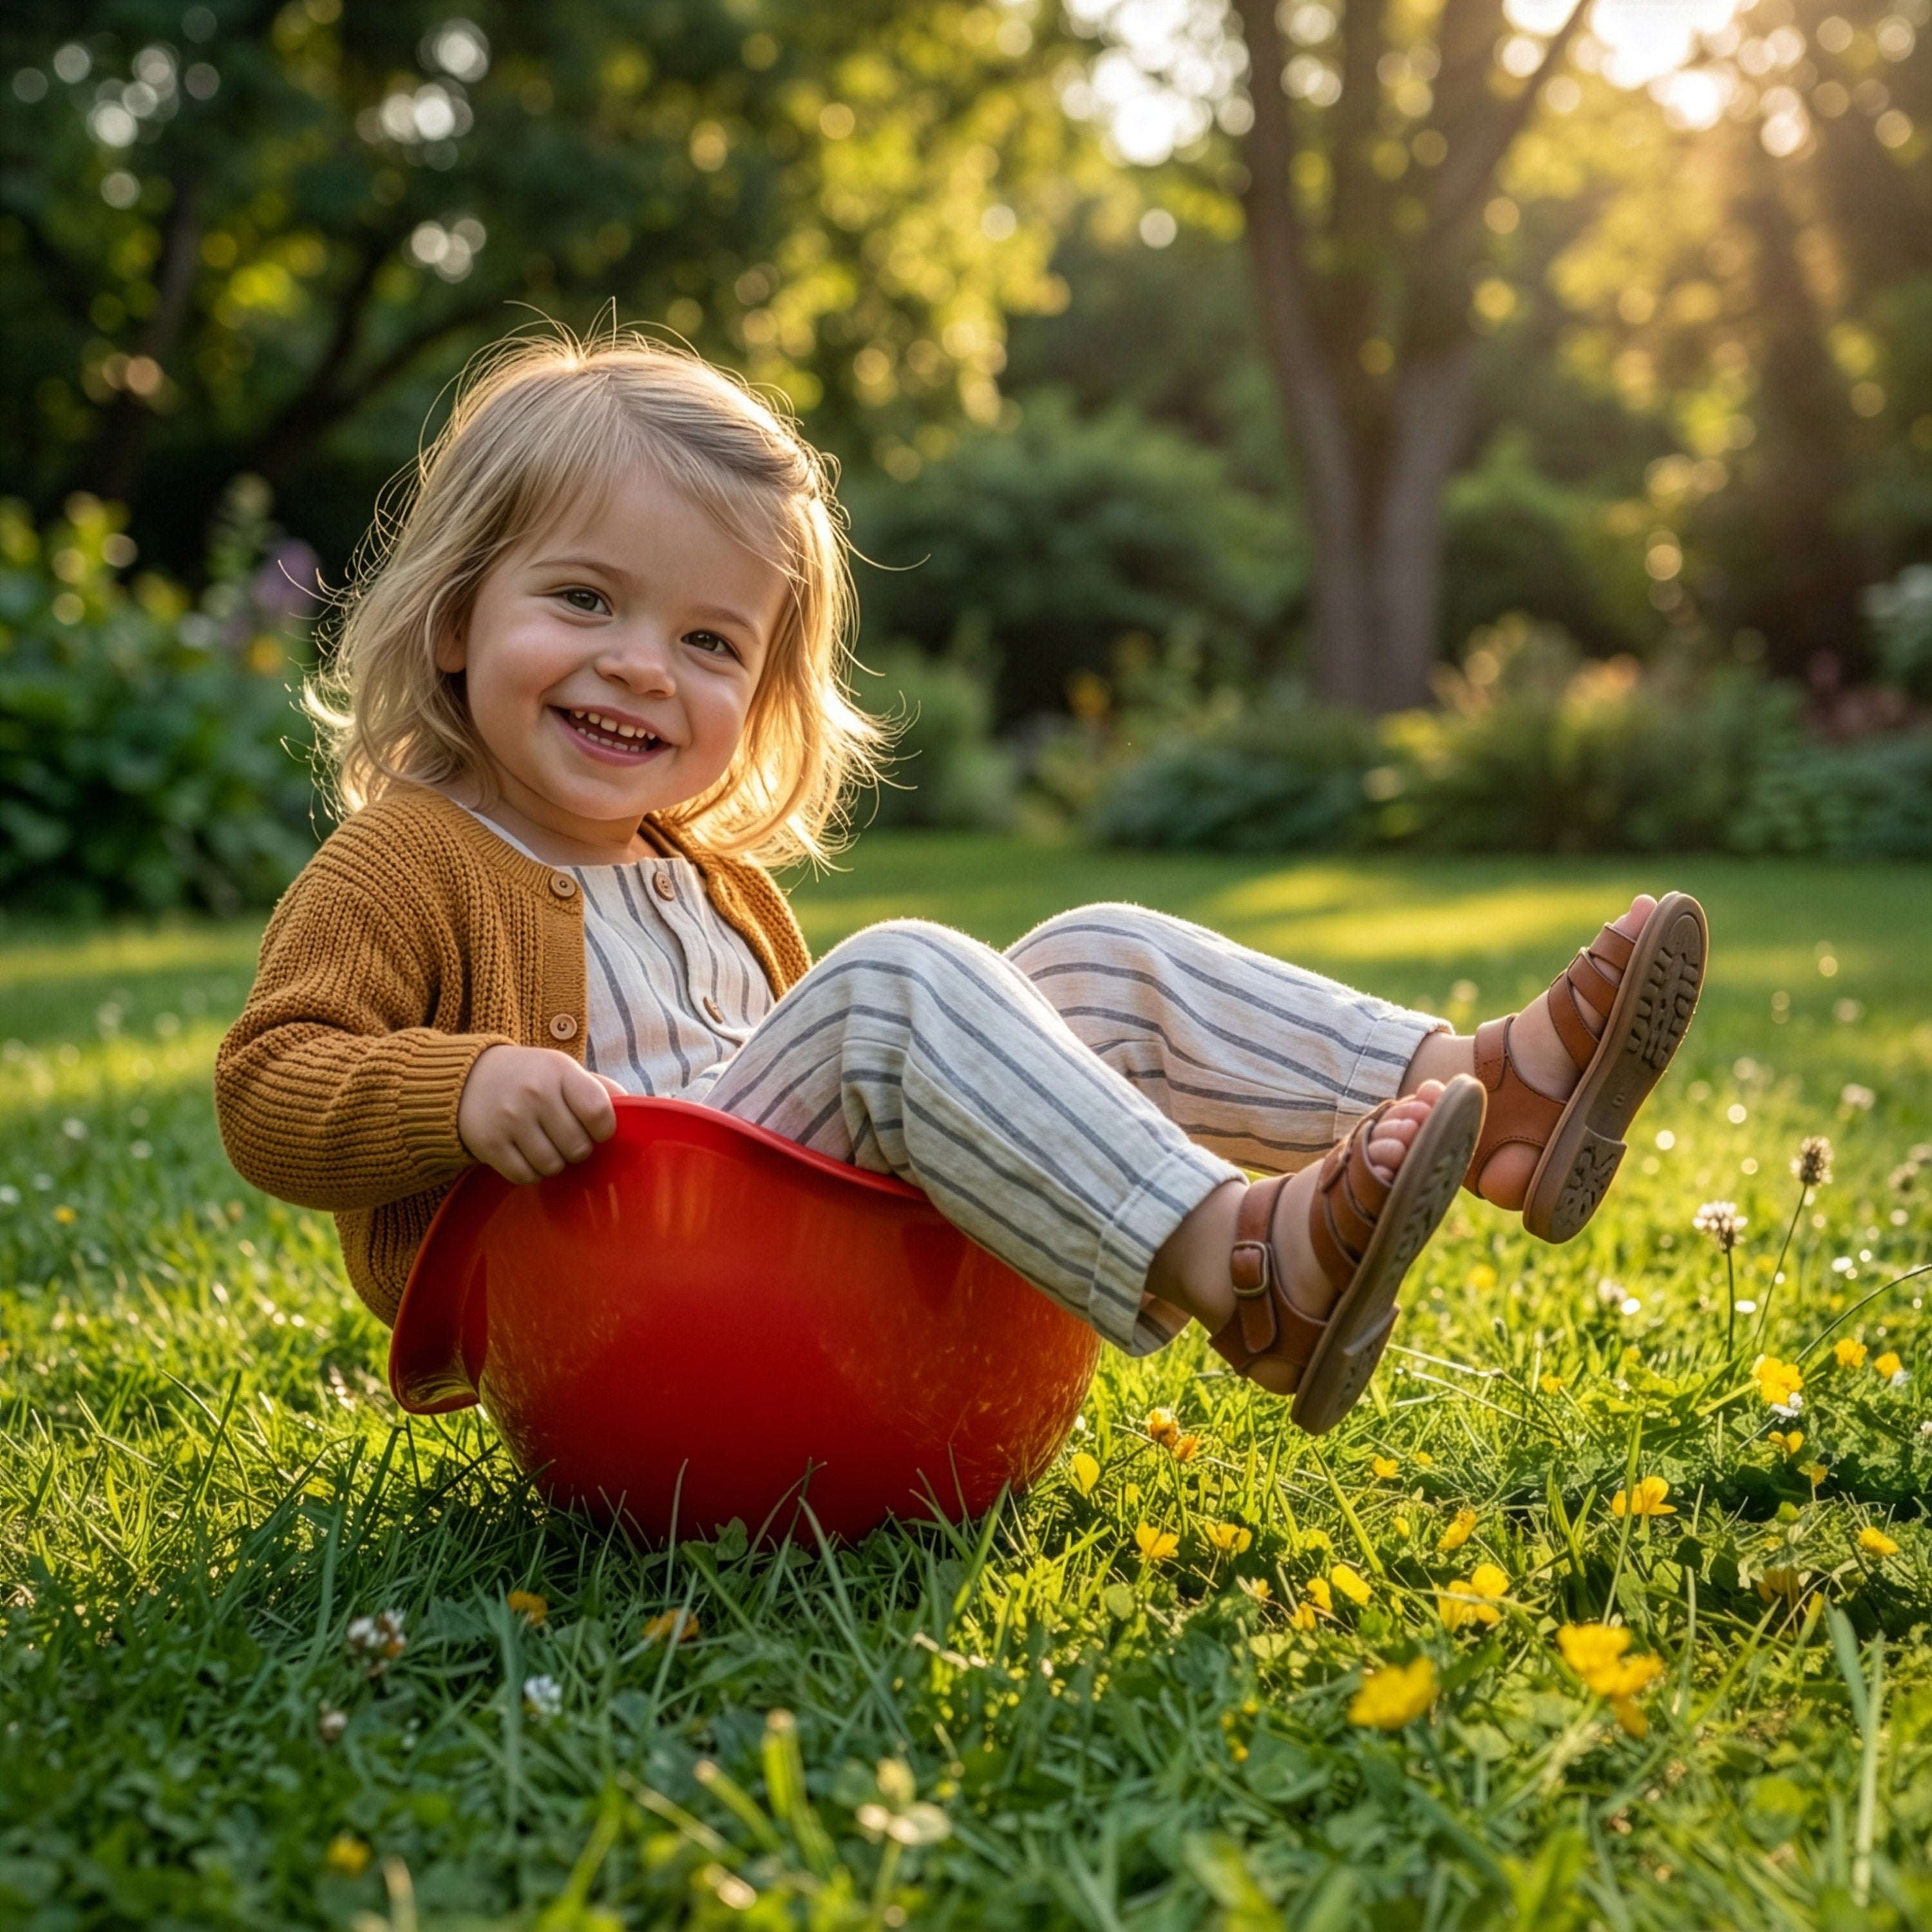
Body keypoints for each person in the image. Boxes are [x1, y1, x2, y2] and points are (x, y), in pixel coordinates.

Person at [214, 334, 1707, 1436]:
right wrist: (462, 1088)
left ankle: (1488, 1091)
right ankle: (1243, 1272)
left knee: (1093, 955)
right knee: (898, 985)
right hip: (612, 1310)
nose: (638, 666)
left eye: (711, 643)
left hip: (776, 1278)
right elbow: (267, 1083)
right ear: (460, 617)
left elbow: (822, 1106)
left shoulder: (709, 881)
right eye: (586, 599)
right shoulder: (410, 856)